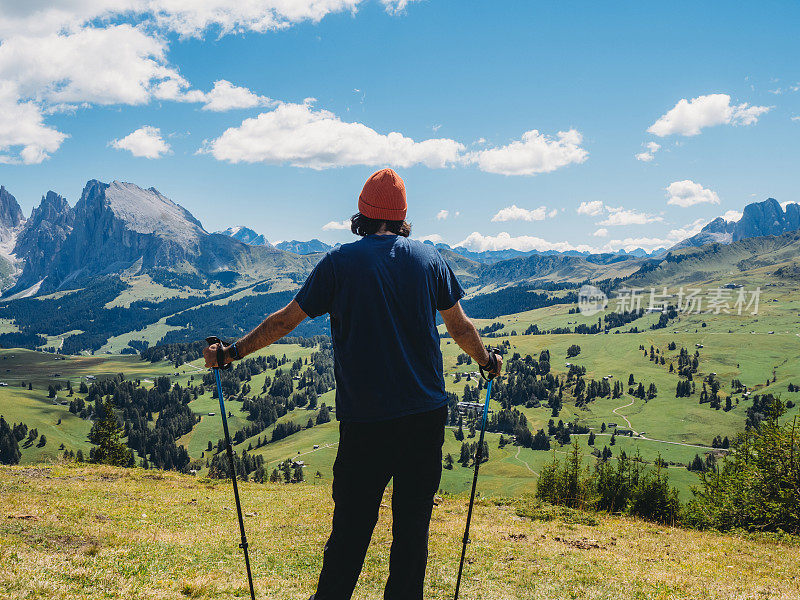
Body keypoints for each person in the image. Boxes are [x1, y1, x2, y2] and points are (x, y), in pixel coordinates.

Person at [204, 168, 502, 600]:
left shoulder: (339, 263)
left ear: (361, 214)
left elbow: (285, 321)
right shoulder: (430, 259)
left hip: (366, 422)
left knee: (350, 532)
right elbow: (459, 328)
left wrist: (232, 353)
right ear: (402, 216)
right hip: (425, 416)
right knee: (412, 534)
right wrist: (488, 361)